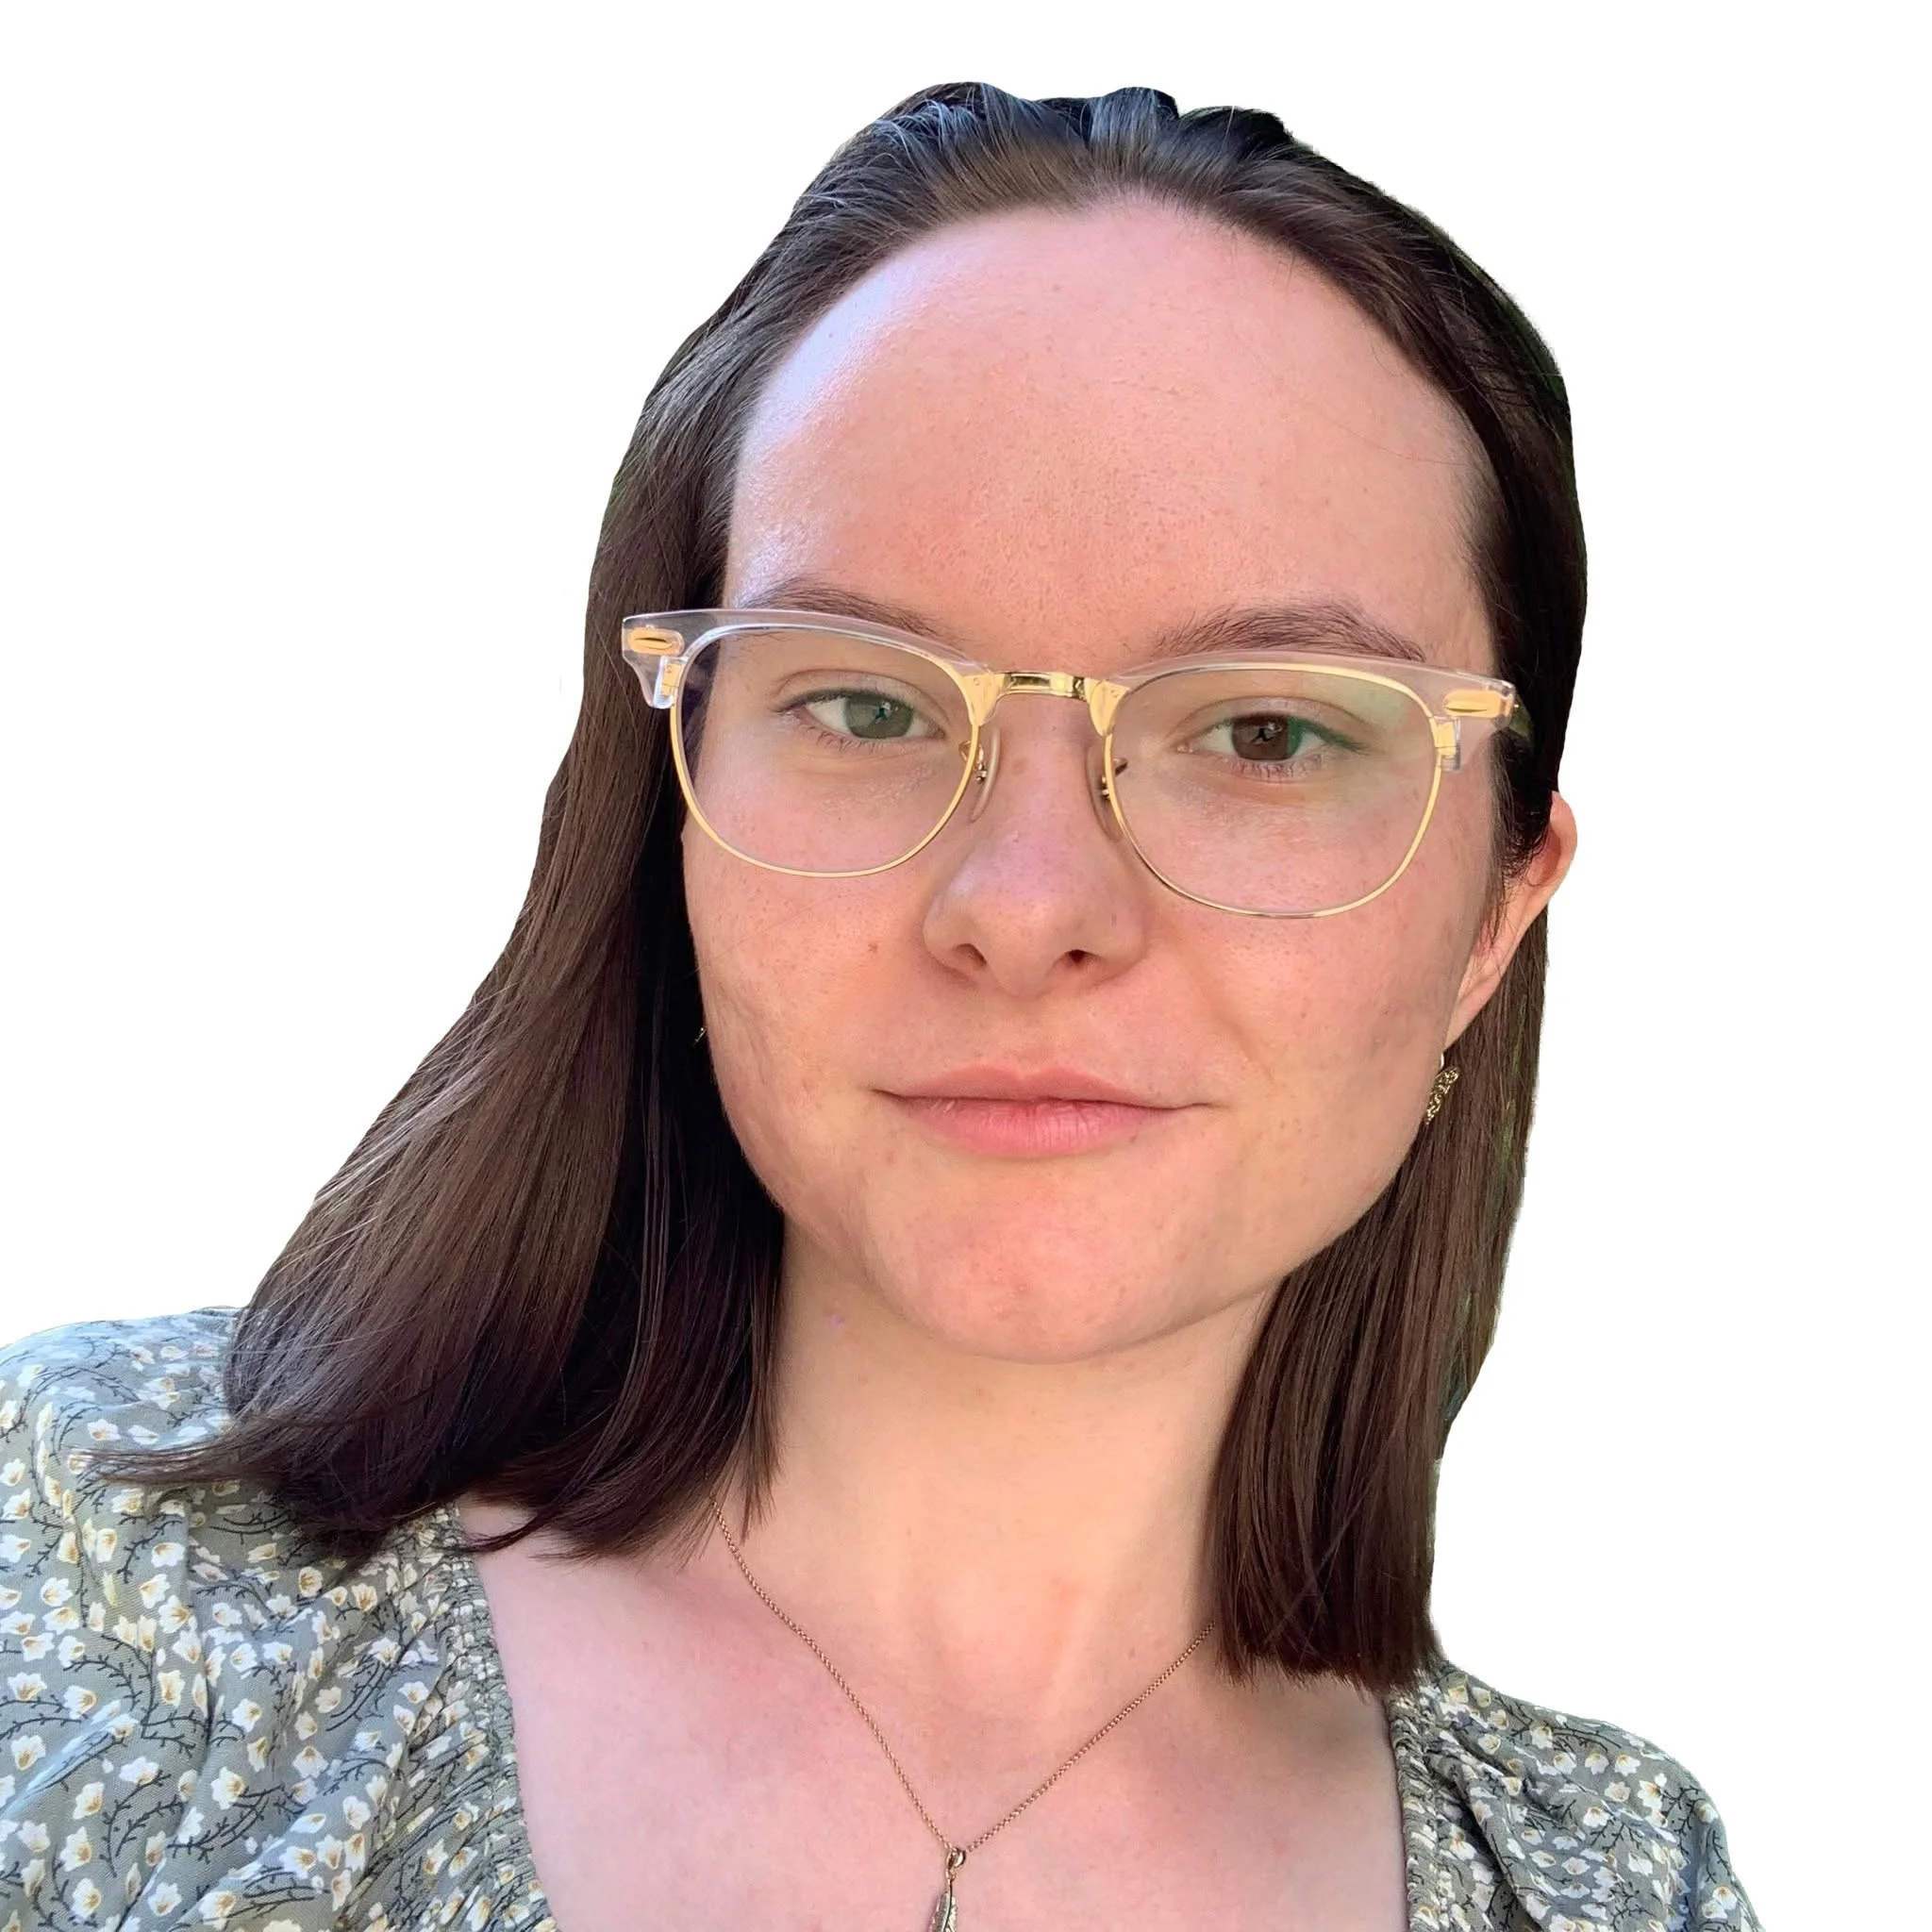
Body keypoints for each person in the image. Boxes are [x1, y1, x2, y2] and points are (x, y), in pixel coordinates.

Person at [0, 82, 1757, 1931]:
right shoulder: (85, 1570)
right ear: (670, 805)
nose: (1027, 908)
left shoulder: (1611, 1884)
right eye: (864, 705)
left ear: (1494, 911)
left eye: (1262, 730)